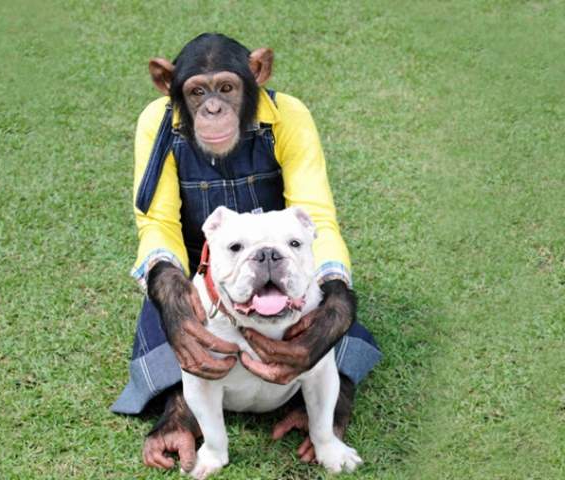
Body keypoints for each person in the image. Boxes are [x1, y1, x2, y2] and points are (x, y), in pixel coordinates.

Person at [111, 33, 381, 469]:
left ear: (257, 73)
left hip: (283, 253)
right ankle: (179, 412)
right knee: (171, 320)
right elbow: (157, 223)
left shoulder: (288, 115)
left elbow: (316, 217)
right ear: (168, 84)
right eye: (197, 93)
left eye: (227, 89)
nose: (213, 108)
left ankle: (331, 404)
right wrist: (172, 297)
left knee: (333, 317)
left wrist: (335, 299)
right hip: (205, 264)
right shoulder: (157, 123)